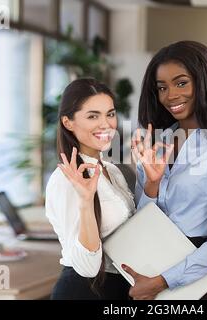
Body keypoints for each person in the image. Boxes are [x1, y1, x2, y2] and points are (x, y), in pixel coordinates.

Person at [123, 40, 207, 300]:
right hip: (148, 270)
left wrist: (161, 282)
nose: (170, 96)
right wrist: (151, 186)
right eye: (162, 87)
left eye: (181, 83)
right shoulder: (155, 144)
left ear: (203, 82)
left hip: (193, 282)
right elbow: (141, 221)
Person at [45, 78, 136, 300]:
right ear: (68, 122)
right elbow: (87, 267)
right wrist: (86, 201)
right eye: (93, 116)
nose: (106, 124)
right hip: (83, 291)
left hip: (116, 288)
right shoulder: (65, 180)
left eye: (110, 114)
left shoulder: (112, 171)